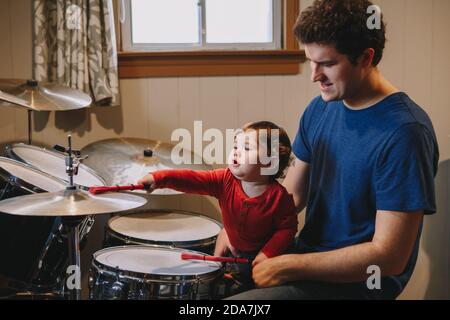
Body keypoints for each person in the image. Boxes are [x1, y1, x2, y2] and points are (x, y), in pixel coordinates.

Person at [228, 0, 439, 300]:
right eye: (310, 61)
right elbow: (292, 196)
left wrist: (289, 266)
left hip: (359, 285)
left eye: (327, 64)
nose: (314, 75)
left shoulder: (405, 134)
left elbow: (390, 256)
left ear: (365, 58)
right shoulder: (319, 109)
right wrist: (240, 226)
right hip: (307, 257)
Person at [138, 121, 298, 288]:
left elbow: (287, 228)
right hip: (236, 256)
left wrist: (267, 254)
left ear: (270, 162)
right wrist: (158, 178)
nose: (237, 151)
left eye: (247, 148)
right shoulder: (224, 180)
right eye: (236, 146)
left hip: (269, 261)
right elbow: (191, 178)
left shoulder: (279, 197)